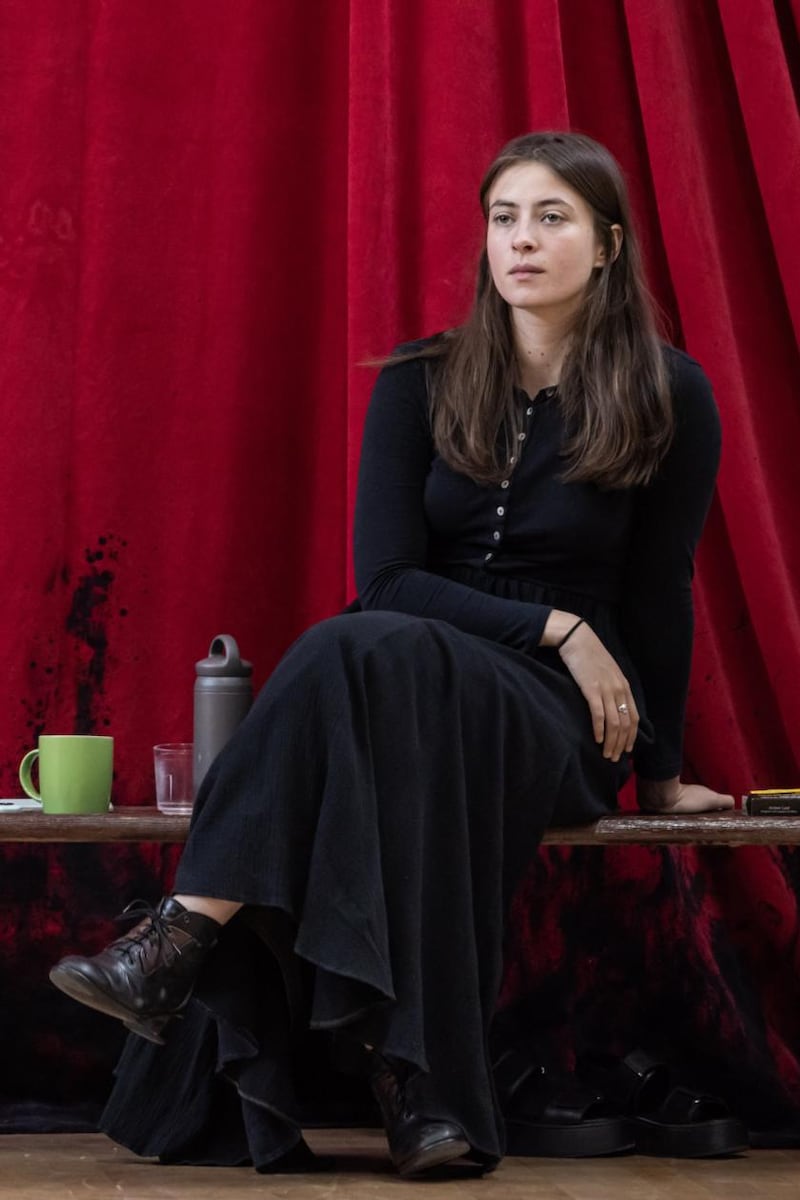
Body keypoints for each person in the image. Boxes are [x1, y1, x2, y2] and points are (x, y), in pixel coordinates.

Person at [49, 131, 735, 1178]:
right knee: (370, 656)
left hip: (558, 714)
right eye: (503, 217)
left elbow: (659, 588)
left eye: (550, 218)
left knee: (347, 653)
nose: (520, 240)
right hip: (422, 678)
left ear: (605, 246)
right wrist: (553, 624)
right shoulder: (419, 381)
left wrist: (660, 772)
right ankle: (420, 1095)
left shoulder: (668, 393)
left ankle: (175, 938)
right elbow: (389, 584)